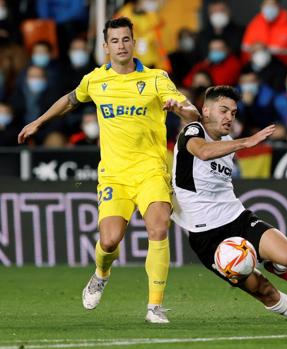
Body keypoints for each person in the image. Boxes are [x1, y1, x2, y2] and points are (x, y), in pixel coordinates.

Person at [17, 17, 201, 323]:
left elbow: (191, 110)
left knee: (158, 227)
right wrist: (38, 121)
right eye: (114, 41)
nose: (121, 45)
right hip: (114, 175)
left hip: (151, 170)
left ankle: (154, 306)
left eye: (126, 39)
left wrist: (180, 108)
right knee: (109, 241)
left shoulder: (157, 78)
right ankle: (101, 273)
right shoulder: (95, 80)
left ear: (134, 42)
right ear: (105, 46)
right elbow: (70, 100)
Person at [171, 85, 287, 322]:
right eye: (224, 110)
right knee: (264, 292)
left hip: (236, 217)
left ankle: (276, 266)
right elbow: (201, 151)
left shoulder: (228, 141)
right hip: (206, 236)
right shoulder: (193, 131)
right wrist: (247, 142)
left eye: (233, 113)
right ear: (207, 110)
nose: (229, 117)